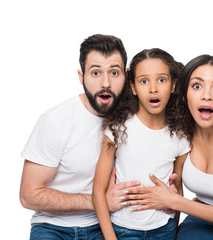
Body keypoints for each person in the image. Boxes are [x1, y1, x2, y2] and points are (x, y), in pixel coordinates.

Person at [124, 55, 213, 239]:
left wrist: (175, 201)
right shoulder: (181, 133)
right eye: (197, 86)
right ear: (184, 92)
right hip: (200, 218)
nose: (206, 95)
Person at [19, 34, 142, 240]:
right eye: (95, 73)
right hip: (53, 227)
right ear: (81, 76)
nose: (106, 83)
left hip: (109, 225)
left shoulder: (135, 117)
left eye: (114, 72)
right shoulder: (55, 121)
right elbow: (28, 195)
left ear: (126, 76)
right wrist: (99, 201)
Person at [92, 48, 190, 240]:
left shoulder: (180, 136)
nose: (153, 88)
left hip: (164, 230)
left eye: (161, 80)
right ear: (134, 88)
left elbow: (177, 191)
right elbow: (98, 190)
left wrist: (174, 231)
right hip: (122, 230)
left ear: (173, 85)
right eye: (144, 81)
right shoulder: (117, 129)